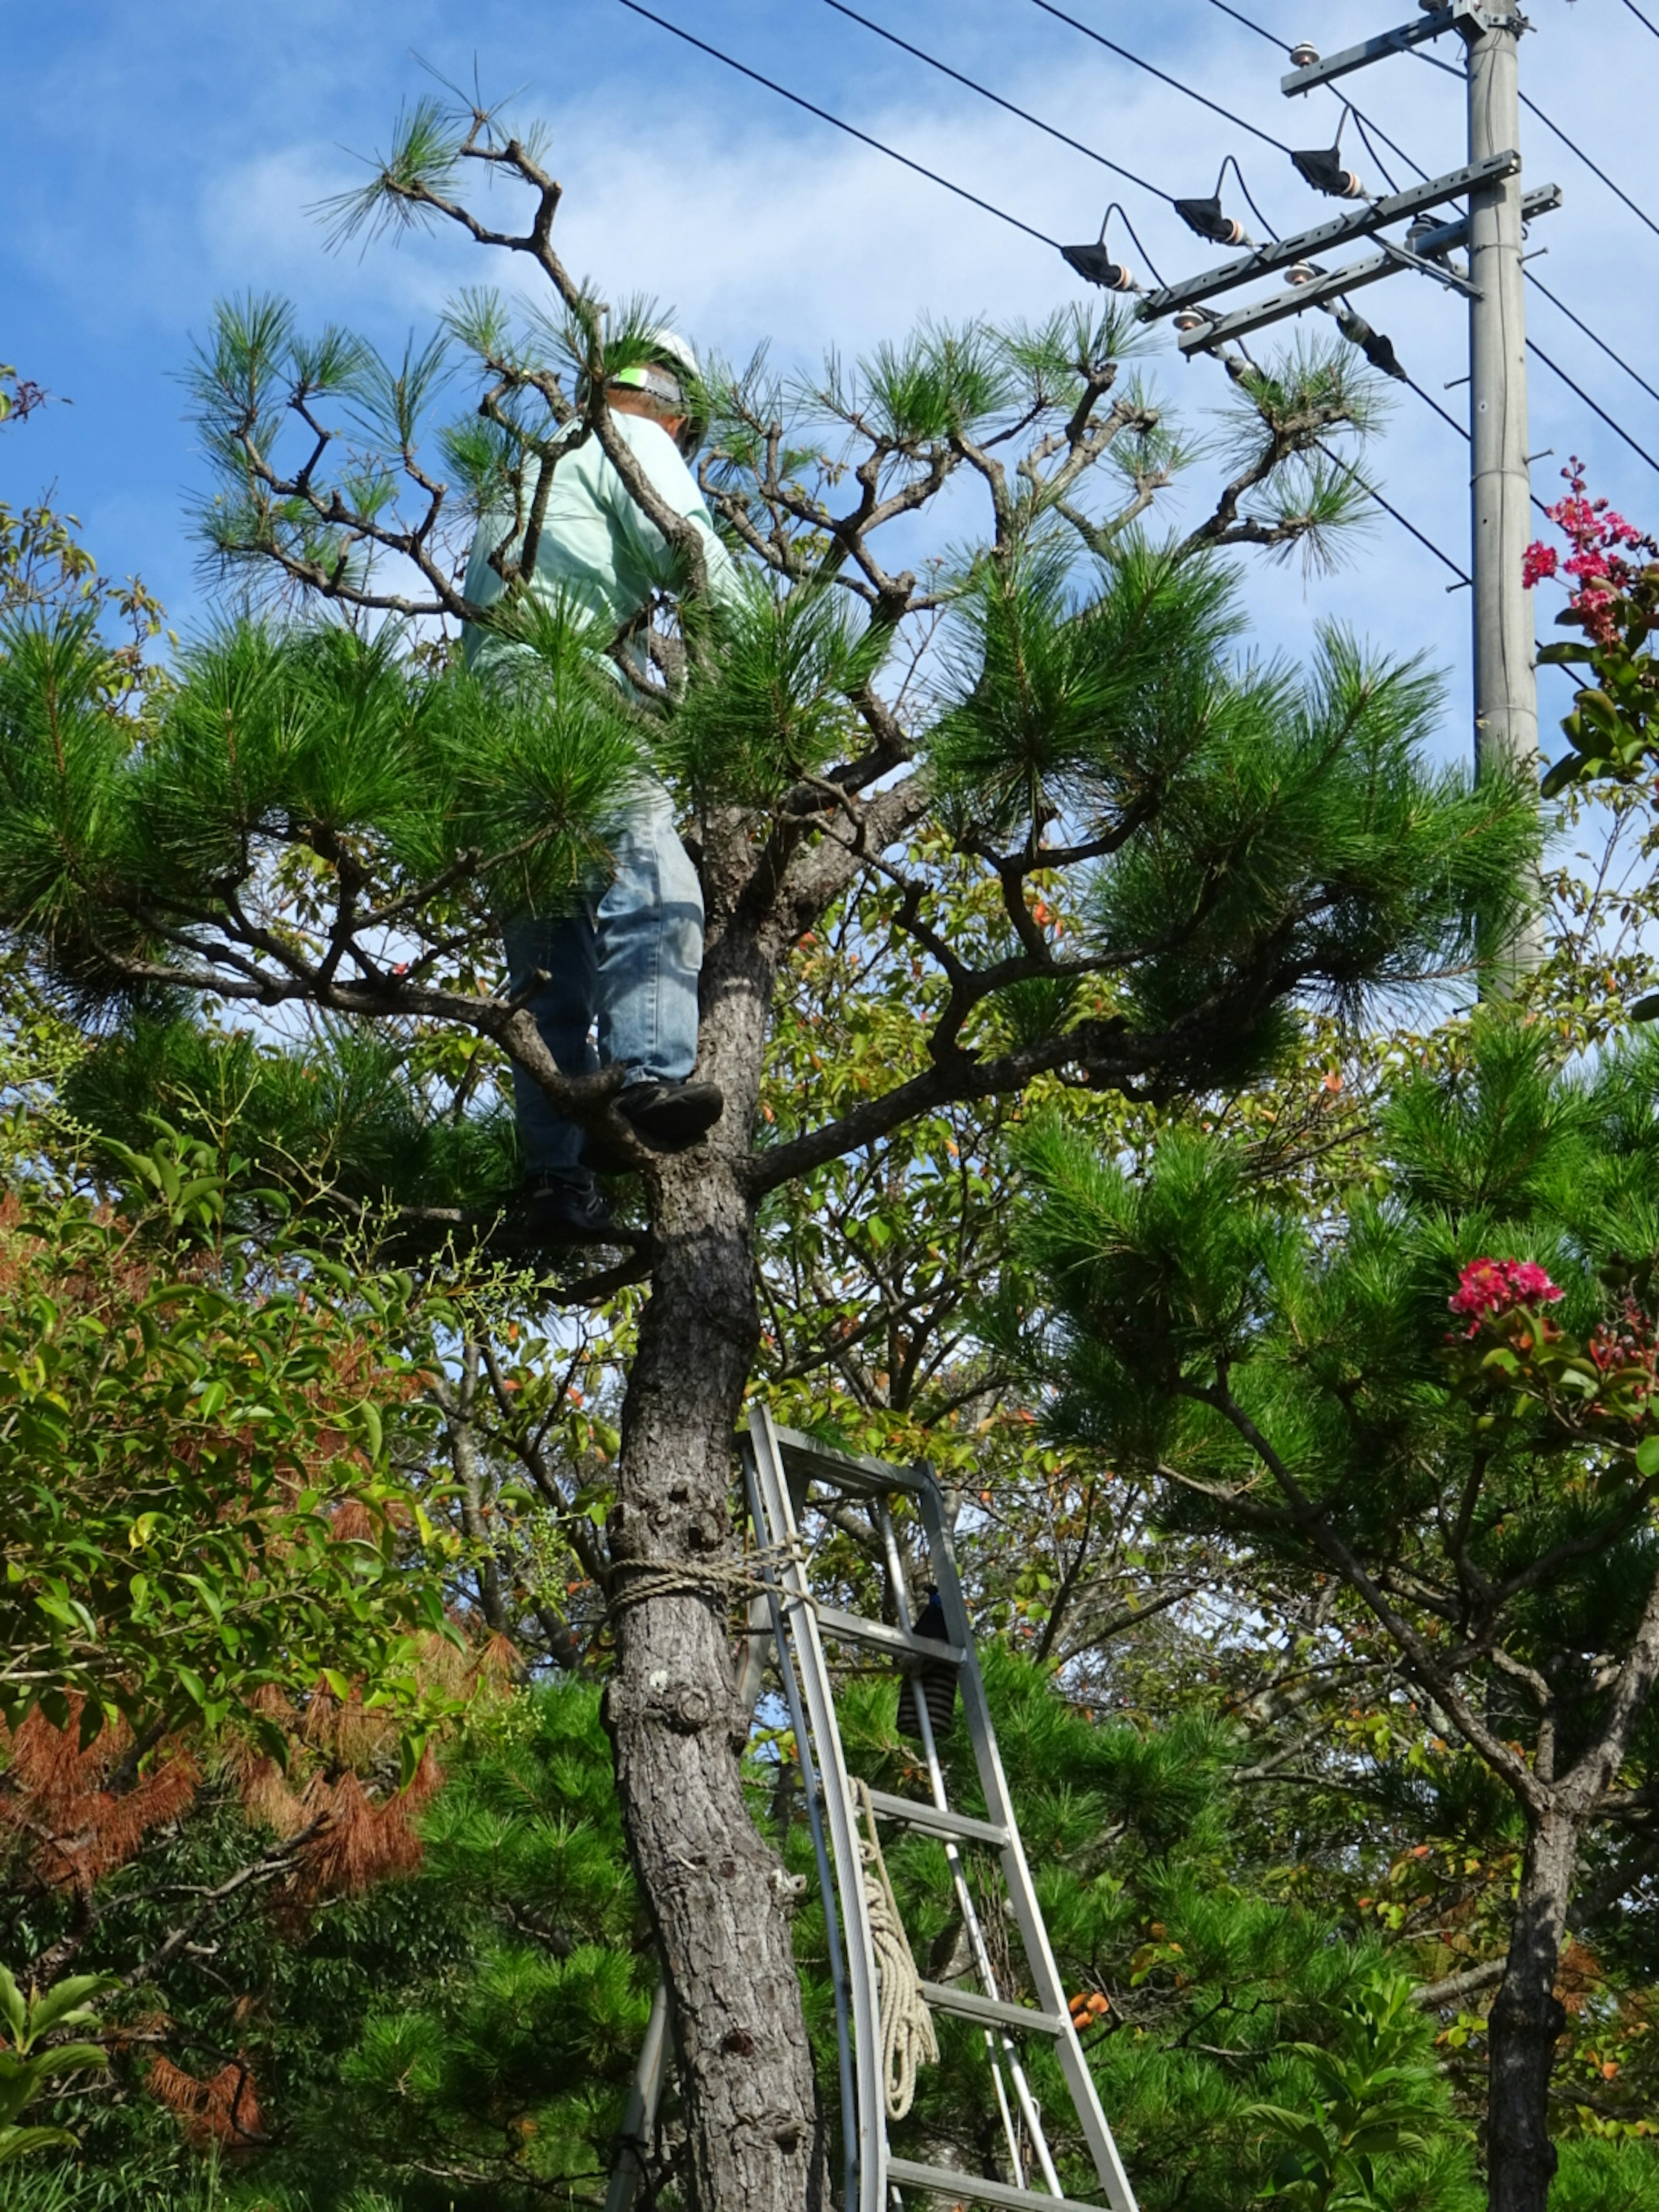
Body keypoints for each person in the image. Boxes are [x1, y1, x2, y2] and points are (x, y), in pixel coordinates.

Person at [461, 333, 739, 1241]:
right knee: (653, 868)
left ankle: (554, 1179)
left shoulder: (524, 474)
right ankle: (654, 1072)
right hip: (573, 698)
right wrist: (772, 672)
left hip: (492, 730)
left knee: (546, 968)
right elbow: (694, 560)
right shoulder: (628, 442)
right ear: (670, 404)